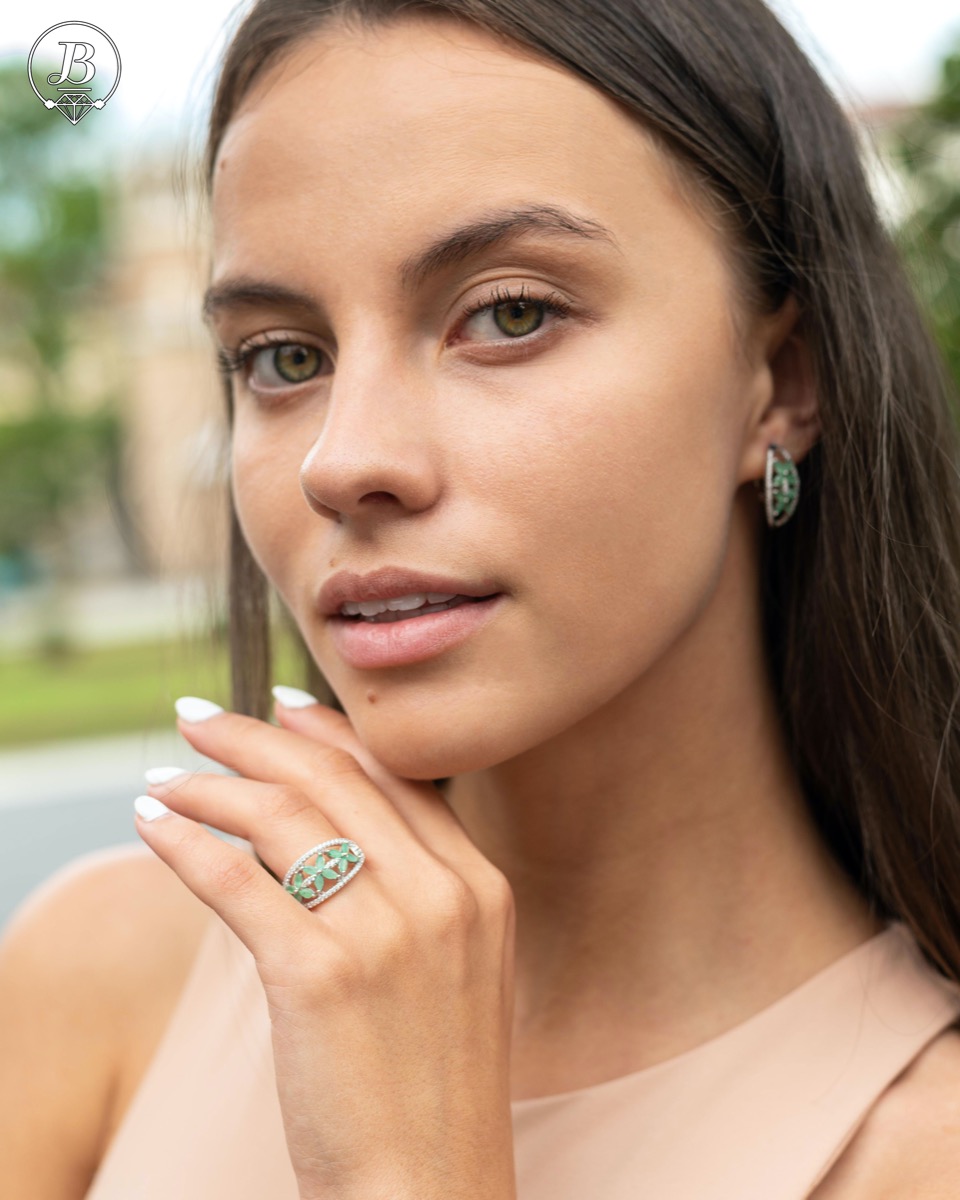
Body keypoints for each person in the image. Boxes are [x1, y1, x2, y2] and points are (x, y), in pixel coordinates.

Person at [3, 0, 960, 1195]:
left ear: (781, 381)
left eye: (510, 314)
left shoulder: (921, 1148)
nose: (343, 461)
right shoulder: (99, 977)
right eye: (284, 357)